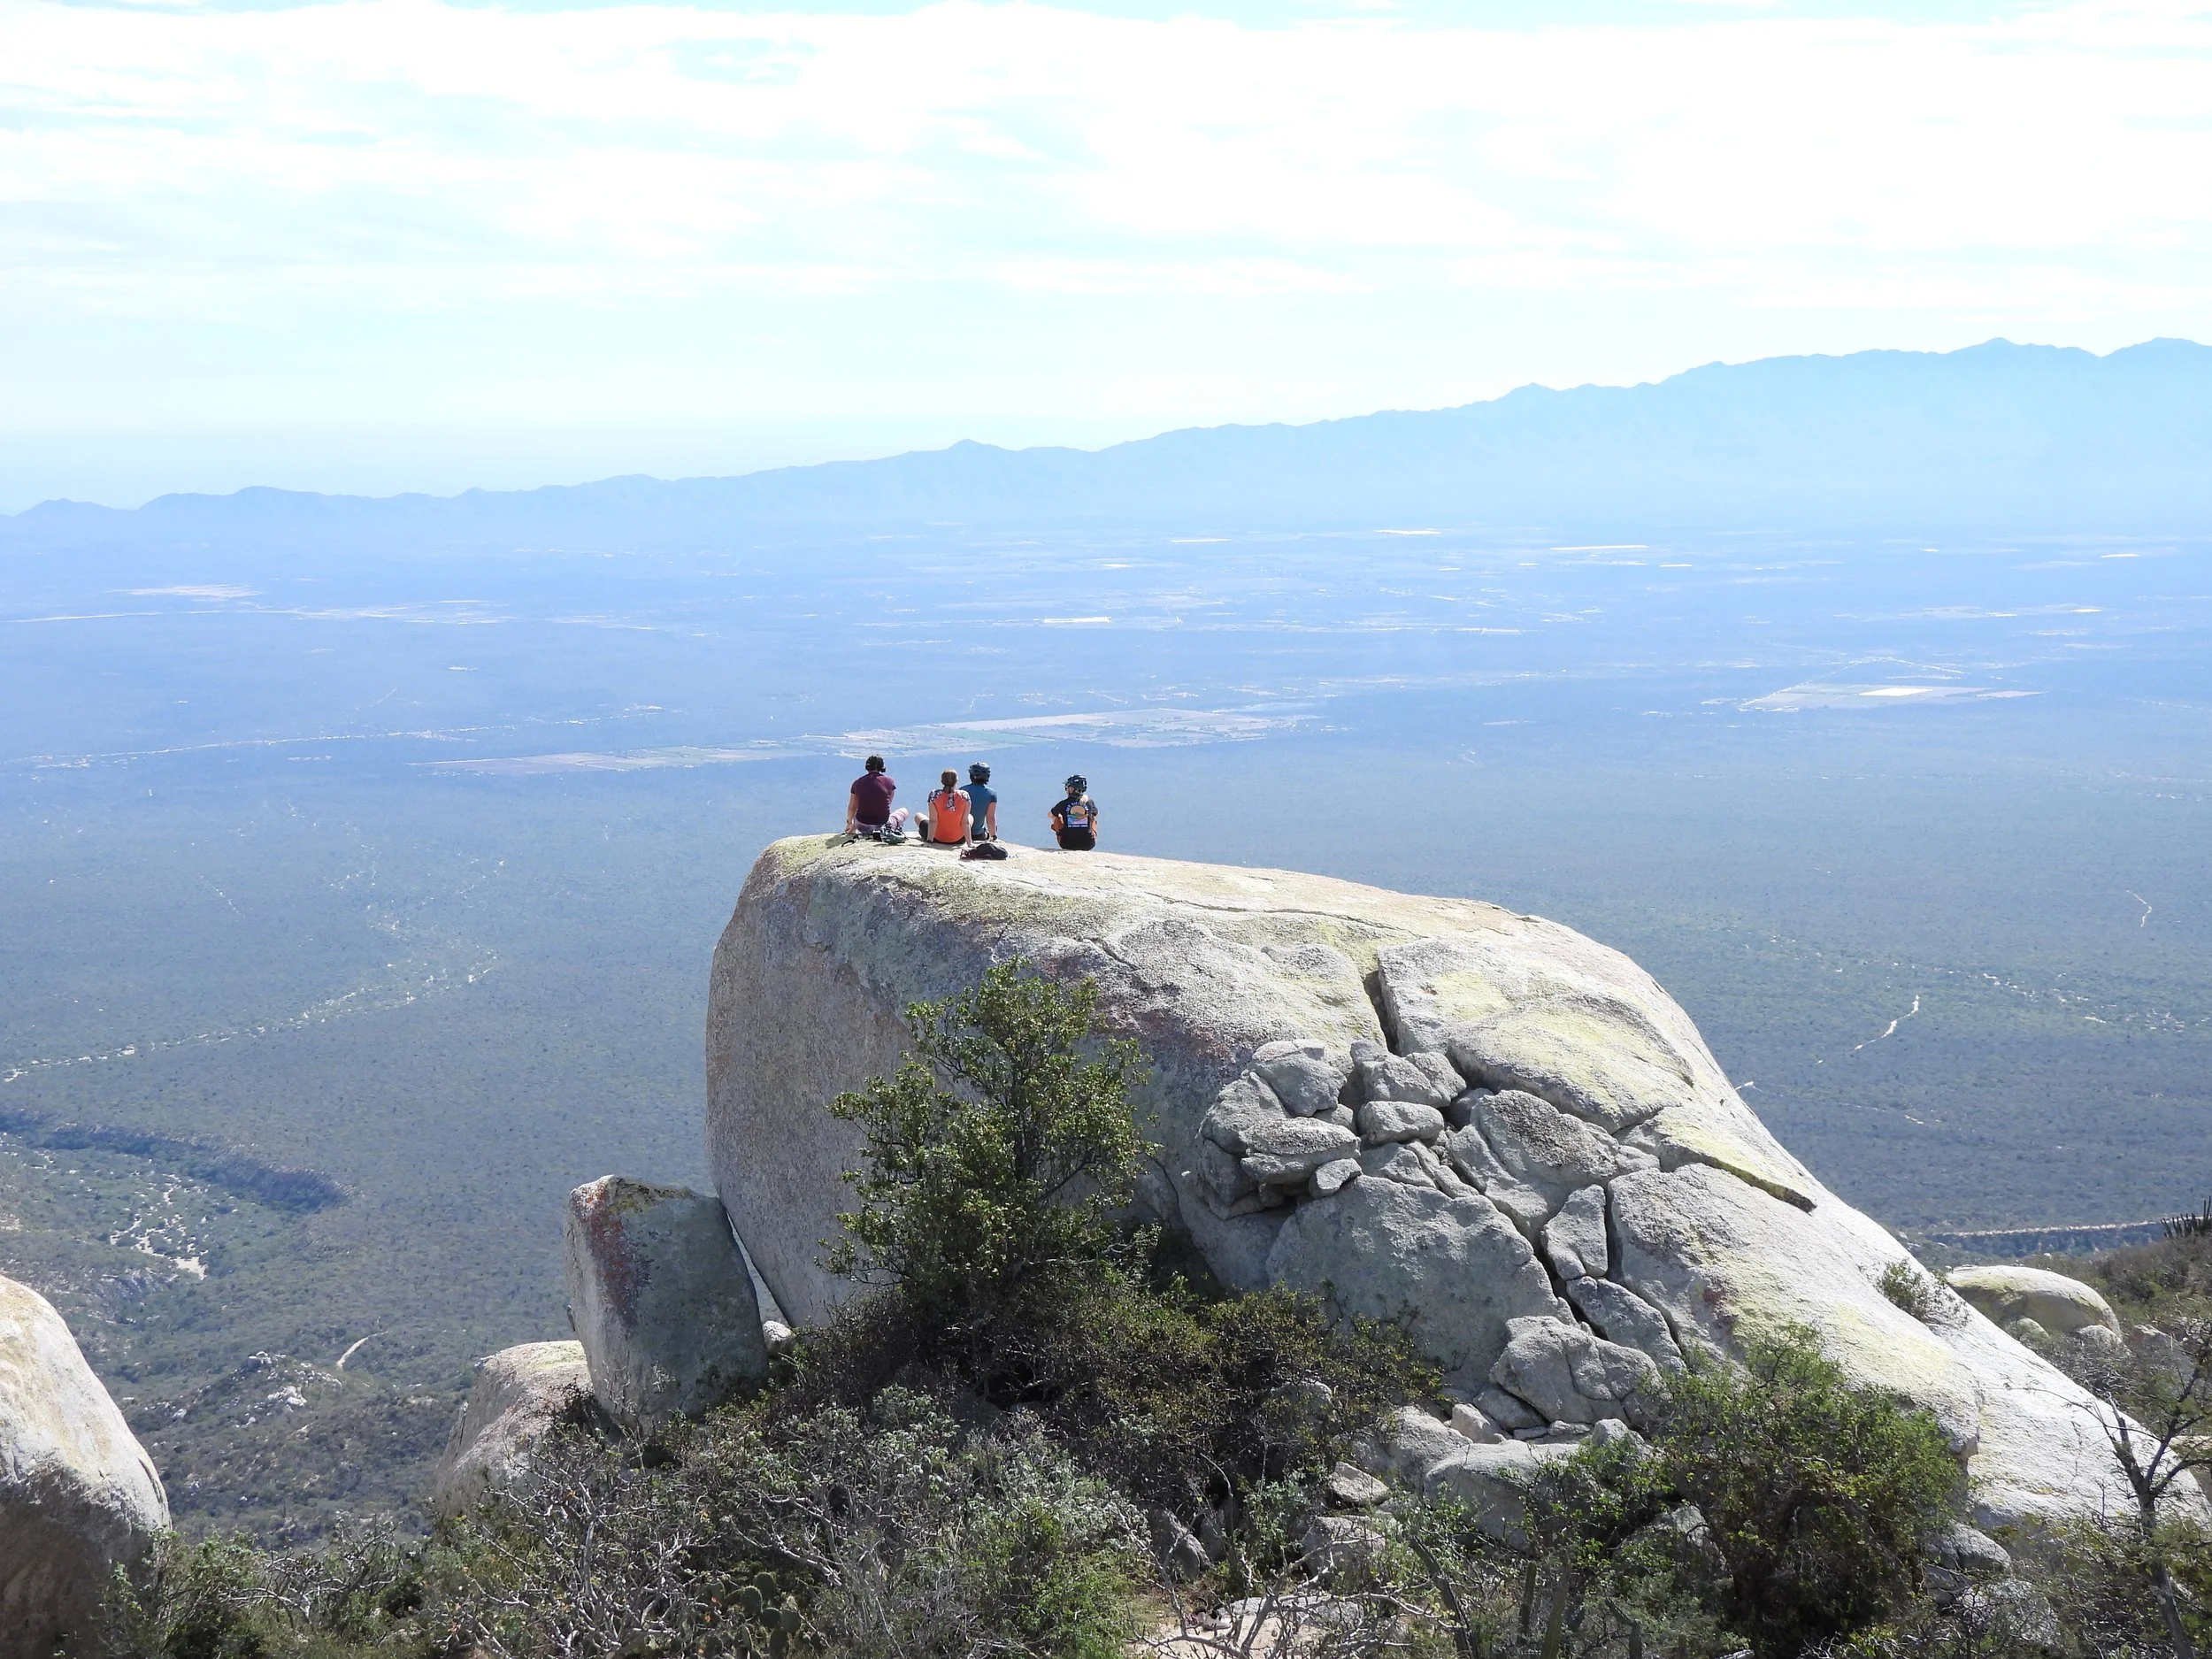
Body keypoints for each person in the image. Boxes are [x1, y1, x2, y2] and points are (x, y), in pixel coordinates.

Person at [846, 755, 895, 838]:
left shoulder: (857, 782)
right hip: (882, 824)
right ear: (882, 767)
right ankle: (892, 832)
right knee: (904, 811)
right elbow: (888, 802)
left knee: (858, 813)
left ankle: (853, 829)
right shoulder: (890, 782)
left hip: (862, 825)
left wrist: (849, 822)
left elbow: (852, 807)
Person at [1050, 774, 1099, 850]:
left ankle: (1063, 834)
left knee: (1056, 816)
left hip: (1066, 844)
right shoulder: (1089, 802)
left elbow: (1050, 815)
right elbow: (1095, 813)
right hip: (1088, 844)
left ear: (1071, 789)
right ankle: (1089, 836)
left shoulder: (1063, 804)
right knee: (1092, 817)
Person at [926, 769, 971, 847]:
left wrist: (929, 841)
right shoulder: (964, 796)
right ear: (956, 781)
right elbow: (965, 822)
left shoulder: (934, 795)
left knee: (918, 816)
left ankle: (930, 838)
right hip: (959, 839)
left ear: (942, 781)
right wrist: (970, 844)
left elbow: (933, 821)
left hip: (937, 838)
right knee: (970, 817)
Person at [964, 763, 999, 842]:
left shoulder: (962, 791)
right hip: (978, 835)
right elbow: (990, 817)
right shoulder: (991, 794)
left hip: (962, 833)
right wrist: (993, 836)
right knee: (989, 831)